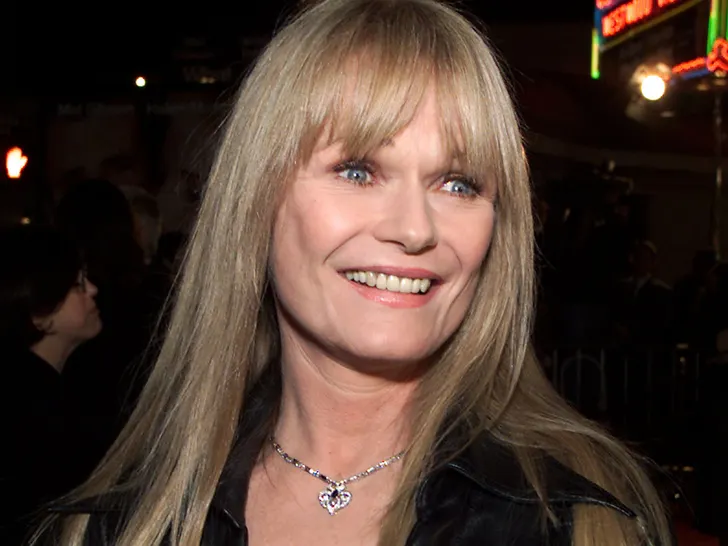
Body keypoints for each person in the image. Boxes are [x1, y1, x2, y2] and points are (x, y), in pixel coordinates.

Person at [34, 1, 673, 545]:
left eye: (458, 183)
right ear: (256, 201)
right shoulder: (115, 527)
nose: (415, 229)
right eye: (358, 171)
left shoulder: (579, 522)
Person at [0, 224, 102, 545]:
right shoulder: (34, 413)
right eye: (77, 285)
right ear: (39, 314)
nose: (93, 290)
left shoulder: (49, 391)